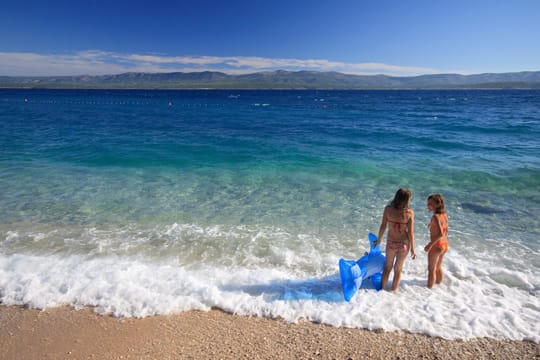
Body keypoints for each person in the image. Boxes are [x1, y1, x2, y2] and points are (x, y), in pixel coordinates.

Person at [373, 188, 416, 291]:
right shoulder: (409, 213)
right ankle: (393, 292)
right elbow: (410, 232)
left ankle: (382, 290)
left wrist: (379, 240)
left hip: (391, 243)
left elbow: (383, 226)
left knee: (387, 268)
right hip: (404, 244)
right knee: (398, 270)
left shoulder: (388, 209)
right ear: (406, 200)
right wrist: (413, 249)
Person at [424, 194, 449, 288]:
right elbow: (445, 230)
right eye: (428, 203)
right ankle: (438, 288)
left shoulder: (435, 217)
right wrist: (431, 225)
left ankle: (429, 290)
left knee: (431, 269)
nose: (428, 205)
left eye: (430, 204)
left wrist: (430, 245)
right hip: (444, 244)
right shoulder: (444, 215)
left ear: (437, 205)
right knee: (438, 267)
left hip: (437, 245)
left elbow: (440, 234)